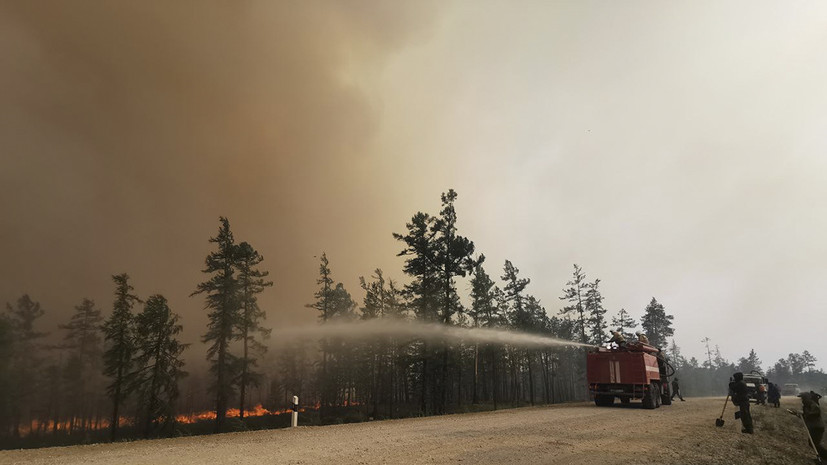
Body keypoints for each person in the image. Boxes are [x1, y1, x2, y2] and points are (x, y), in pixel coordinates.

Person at [788, 391, 826, 459]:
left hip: (817, 427)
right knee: (812, 443)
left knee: (814, 443)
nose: (802, 400)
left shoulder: (813, 405)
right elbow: (805, 416)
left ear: (807, 398)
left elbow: (812, 415)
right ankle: (823, 457)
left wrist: (803, 414)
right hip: (812, 427)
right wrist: (796, 413)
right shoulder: (806, 406)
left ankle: (825, 457)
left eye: (803, 398)